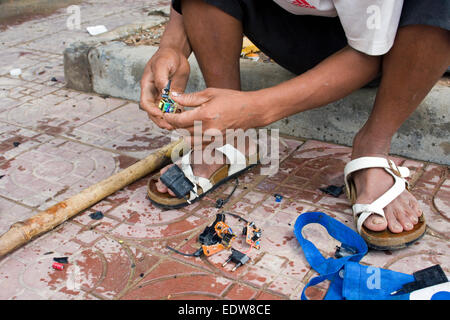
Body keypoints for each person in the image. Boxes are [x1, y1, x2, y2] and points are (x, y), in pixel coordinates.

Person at [140, 0, 449, 250]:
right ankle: (231, 136)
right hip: (291, 29)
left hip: (387, 47)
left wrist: (257, 109)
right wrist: (172, 46)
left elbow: (368, 53)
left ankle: (373, 145)